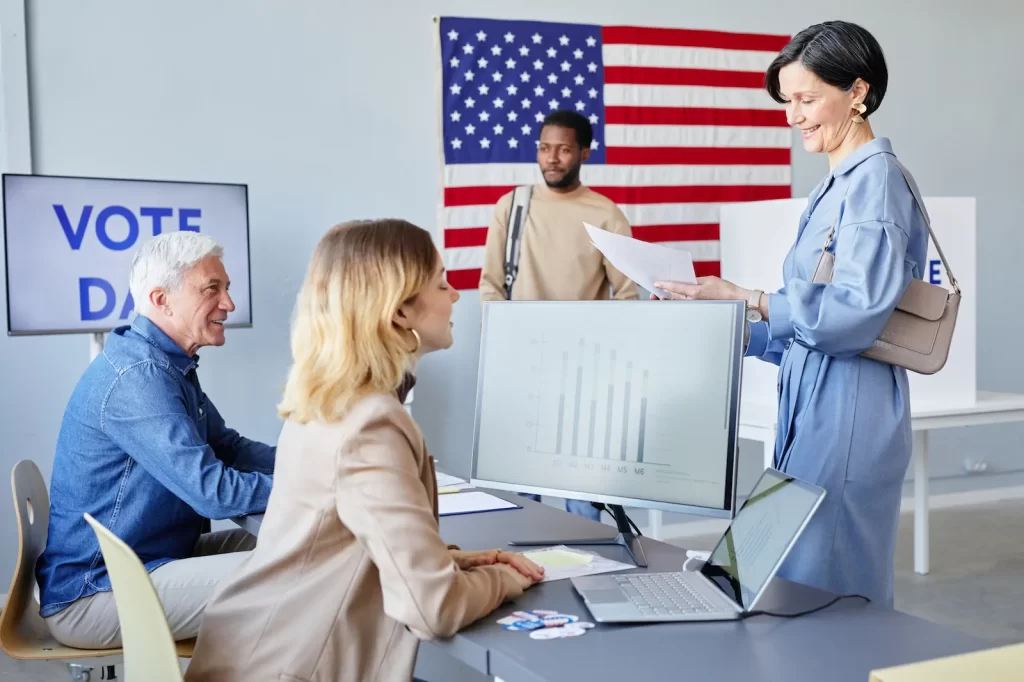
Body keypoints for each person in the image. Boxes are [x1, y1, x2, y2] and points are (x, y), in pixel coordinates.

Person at [184, 219, 542, 682]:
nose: (455, 295)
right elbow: (431, 608)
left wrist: (451, 560)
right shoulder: (371, 423)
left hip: (260, 653)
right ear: (398, 312)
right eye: (441, 283)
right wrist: (505, 581)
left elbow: (341, 545)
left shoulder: (325, 398)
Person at [653, 21, 927, 607]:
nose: (793, 116)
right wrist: (727, 327)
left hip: (849, 414)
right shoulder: (838, 184)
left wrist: (748, 296)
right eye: (787, 101)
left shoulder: (874, 185)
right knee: (772, 575)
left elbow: (852, 317)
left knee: (826, 594)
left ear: (858, 91)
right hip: (815, 405)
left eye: (806, 99)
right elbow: (807, 329)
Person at [35, 231, 276, 648]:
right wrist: (316, 487)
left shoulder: (164, 364)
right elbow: (213, 493)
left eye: (227, 288)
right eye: (212, 290)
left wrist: (313, 462)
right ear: (162, 299)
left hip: (148, 561)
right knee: (299, 576)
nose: (229, 304)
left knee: (302, 545)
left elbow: (229, 448)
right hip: (96, 594)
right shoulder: (139, 378)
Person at [479, 109, 639, 521]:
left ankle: (587, 568)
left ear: (584, 153)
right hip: (520, 365)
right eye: (545, 148)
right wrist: (505, 345)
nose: (551, 158)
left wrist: (600, 353)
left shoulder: (605, 215)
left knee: (582, 492)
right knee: (520, 487)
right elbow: (491, 285)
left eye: (564, 150)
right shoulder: (512, 206)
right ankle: (518, 571)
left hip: (582, 373)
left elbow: (626, 296)